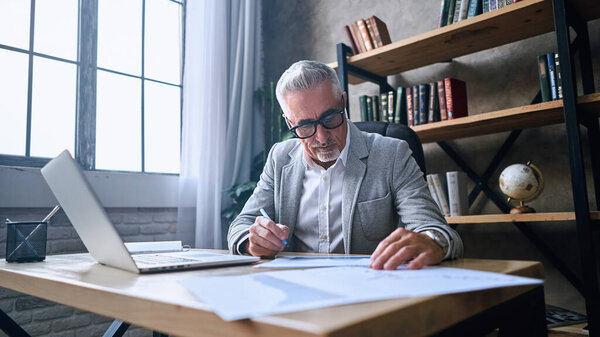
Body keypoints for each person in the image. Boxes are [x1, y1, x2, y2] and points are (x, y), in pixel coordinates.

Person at [227, 60, 463, 270]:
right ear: (289, 121)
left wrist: (433, 241)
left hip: (368, 294)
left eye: (330, 118)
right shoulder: (280, 158)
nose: (321, 137)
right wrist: (252, 242)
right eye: (305, 126)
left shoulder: (391, 154)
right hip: (298, 293)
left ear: (343, 102)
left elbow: (439, 231)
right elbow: (240, 226)